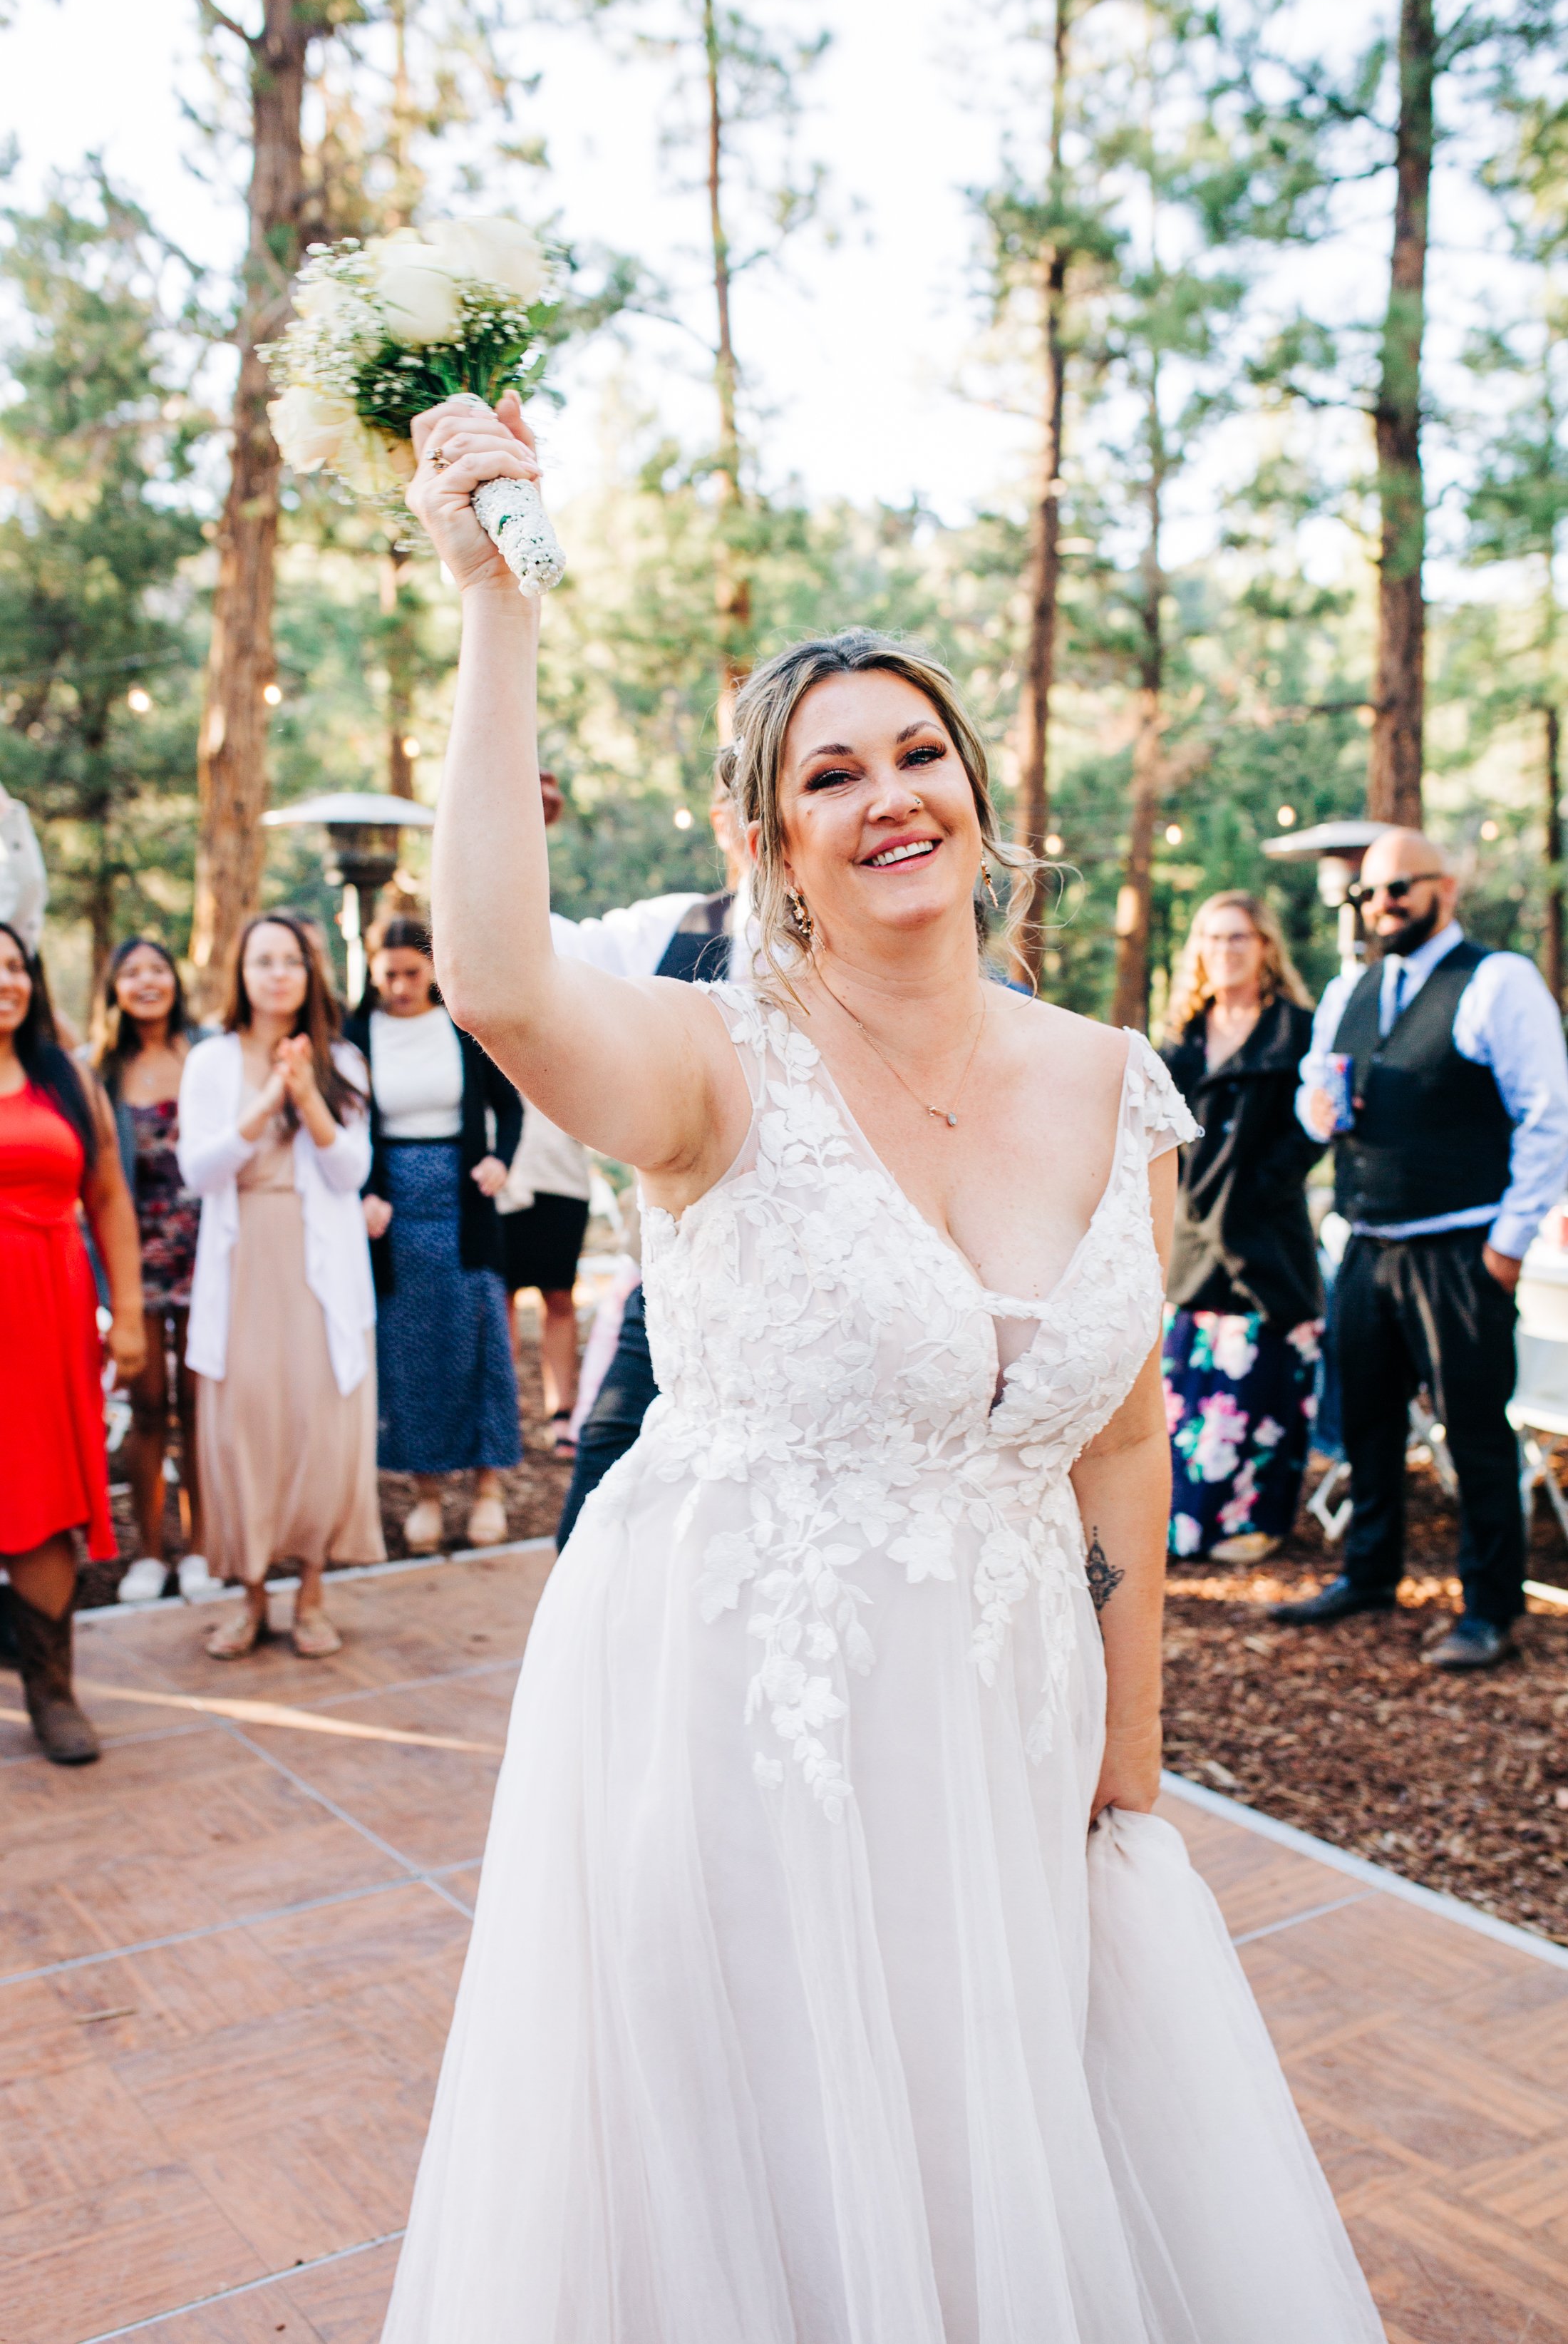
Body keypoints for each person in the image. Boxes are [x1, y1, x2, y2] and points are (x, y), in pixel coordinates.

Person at [378, 393, 1383, 2342]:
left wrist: (1129, 1768)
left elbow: (1113, 1431)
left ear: (981, 800)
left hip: (1006, 1709)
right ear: (769, 841)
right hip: (736, 1711)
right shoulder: (705, 1060)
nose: (890, 791)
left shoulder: (1114, 1074)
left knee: (977, 2143)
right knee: (766, 2176)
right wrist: (492, 607)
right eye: (832, 775)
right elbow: (496, 975)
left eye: (920, 751)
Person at [1276, 826, 1568, 1668]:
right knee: (1366, 1423)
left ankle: (1489, 1610)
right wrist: (1314, 1115)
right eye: (1369, 892)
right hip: (1368, 1243)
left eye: (1400, 887)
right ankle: (1368, 1574)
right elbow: (1312, 1095)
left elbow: (1547, 1117)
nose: (1382, 904)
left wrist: (1507, 1246)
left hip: (1460, 1245)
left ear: (1444, 888)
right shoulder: (1349, 991)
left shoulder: (1497, 982)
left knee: (1473, 1429)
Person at [554, 759, 751, 1541]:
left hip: (825, 1297)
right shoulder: (676, 928)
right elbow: (525, 963)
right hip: (679, 1284)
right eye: (748, 801)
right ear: (721, 822)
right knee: (598, 1500)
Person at [178, 912, 383, 1659]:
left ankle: (313, 1593)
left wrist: (306, 1094)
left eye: (291, 960)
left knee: (318, 1420)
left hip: (317, 1261)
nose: (278, 973)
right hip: (243, 1262)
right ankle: (251, 1594)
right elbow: (198, 1172)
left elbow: (351, 1171)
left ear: (309, 973)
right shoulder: (210, 1062)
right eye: (262, 961)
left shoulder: (343, 1061)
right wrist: (268, 1100)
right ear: (241, 974)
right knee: (248, 1424)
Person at [0, 922, 144, 1762]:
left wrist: (125, 1312)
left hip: (48, 1314)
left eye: (14, 967)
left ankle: (52, 1691)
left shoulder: (68, 1079)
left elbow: (111, 1198)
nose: (4, 982)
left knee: (44, 1495)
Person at [345, 917, 521, 1552]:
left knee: (479, 1337)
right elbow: (342, 1122)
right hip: (393, 1212)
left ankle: (488, 1488)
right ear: (371, 971)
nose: (400, 987)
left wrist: (501, 1158)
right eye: (388, 974)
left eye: (413, 974)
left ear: (434, 971)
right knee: (408, 1348)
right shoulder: (354, 1033)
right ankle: (425, 1492)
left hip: (465, 1203)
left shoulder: (463, 1023)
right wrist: (363, 1191)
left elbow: (510, 1102)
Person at [1159, 892, 1324, 1563]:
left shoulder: (1298, 1034)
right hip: (1195, 1248)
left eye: (1238, 938)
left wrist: (1260, 1187)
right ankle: (1186, 1527)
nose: (1224, 950)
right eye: (1212, 938)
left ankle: (1256, 1526)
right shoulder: (1180, 1044)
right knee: (1189, 1402)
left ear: (1265, 948)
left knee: (1266, 1398)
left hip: (1269, 1243)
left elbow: (1314, 1128)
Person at [95, 936, 211, 1603]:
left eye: (157, 969)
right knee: (145, 1409)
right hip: (135, 1262)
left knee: (198, 1406)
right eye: (131, 971)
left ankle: (201, 1547)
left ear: (175, 980)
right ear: (114, 988)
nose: (147, 981)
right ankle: (148, 1552)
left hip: (205, 1255)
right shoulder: (101, 1071)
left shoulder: (207, 1052)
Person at [495, 1101, 591, 1455]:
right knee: (502, 1298)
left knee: (560, 1297)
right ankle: (504, 1411)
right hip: (501, 1176)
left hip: (564, 1180)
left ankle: (562, 1412)